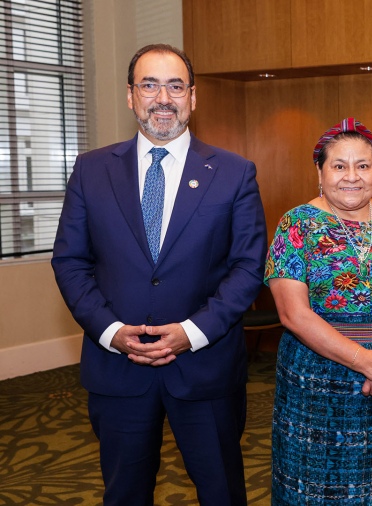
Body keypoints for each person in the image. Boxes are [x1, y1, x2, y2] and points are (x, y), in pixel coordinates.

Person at [51, 44, 267, 505]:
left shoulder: (234, 172)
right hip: (117, 368)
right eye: (149, 85)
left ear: (193, 97)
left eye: (175, 86)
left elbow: (248, 265)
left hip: (205, 369)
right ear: (130, 96)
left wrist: (193, 332)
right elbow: (70, 261)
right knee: (124, 495)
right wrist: (110, 331)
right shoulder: (91, 170)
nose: (163, 98)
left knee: (223, 493)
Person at [264, 118, 372, 504]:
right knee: (317, 486)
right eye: (339, 166)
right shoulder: (296, 225)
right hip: (318, 382)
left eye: (363, 165)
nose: (352, 177)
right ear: (320, 172)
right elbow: (293, 314)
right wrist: (364, 361)